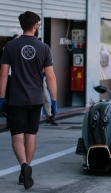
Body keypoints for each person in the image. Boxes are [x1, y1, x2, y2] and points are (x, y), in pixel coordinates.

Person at [0, 11, 58, 189]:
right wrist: (54, 102)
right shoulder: (44, 48)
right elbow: (51, 77)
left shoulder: (10, 46)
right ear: (35, 26)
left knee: (17, 136)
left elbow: (3, 73)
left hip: (16, 99)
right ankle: (27, 169)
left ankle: (23, 166)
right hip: (36, 99)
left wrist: (1, 97)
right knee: (31, 135)